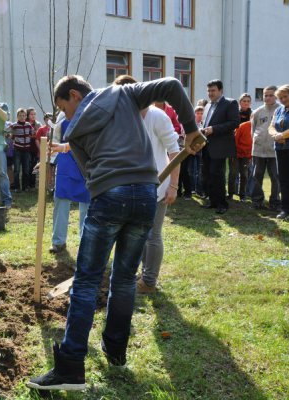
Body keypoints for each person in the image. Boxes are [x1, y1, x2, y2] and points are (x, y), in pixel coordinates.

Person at [27, 75, 201, 391]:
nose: (64, 114)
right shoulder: (125, 94)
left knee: (86, 281)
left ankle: (70, 369)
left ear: (75, 95)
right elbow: (173, 86)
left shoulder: (74, 127)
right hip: (148, 194)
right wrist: (191, 129)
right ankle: (116, 351)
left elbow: (90, 174)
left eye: (62, 106)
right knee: (123, 278)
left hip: (109, 195)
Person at [111, 75, 181, 295]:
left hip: (156, 187)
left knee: (153, 235)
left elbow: (175, 152)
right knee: (133, 233)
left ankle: (149, 281)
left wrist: (173, 185)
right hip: (129, 187)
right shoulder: (121, 116)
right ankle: (135, 274)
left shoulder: (157, 117)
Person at [48, 117, 89, 255]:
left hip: (86, 161)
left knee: (87, 204)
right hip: (66, 161)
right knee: (61, 200)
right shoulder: (61, 116)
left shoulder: (91, 110)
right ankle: (58, 242)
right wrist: (48, 161)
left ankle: (86, 242)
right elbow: (54, 140)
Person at [200, 79, 240, 214]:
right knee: (207, 174)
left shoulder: (230, 103)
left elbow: (235, 123)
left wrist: (214, 129)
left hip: (220, 146)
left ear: (220, 90)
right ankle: (212, 202)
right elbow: (205, 124)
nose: (210, 93)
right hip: (206, 145)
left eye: (213, 90)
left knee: (216, 174)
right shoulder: (207, 106)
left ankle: (222, 204)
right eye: (209, 91)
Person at [270, 85, 289, 222]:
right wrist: (276, 135)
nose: (282, 100)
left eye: (285, 96)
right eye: (280, 98)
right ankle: (286, 209)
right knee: (283, 179)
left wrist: (284, 134)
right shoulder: (278, 110)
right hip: (280, 148)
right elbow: (271, 126)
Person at [251, 86, 280, 210]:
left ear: (276, 96)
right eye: (265, 95)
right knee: (257, 176)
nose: (267, 97)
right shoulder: (257, 112)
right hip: (258, 150)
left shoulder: (281, 110)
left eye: (271, 95)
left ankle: (275, 202)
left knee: (276, 176)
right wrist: (255, 141)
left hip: (275, 151)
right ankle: (257, 201)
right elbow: (252, 131)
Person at [228, 93, 253, 200]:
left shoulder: (253, 114)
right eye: (244, 101)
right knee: (233, 173)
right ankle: (231, 193)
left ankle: (243, 194)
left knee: (245, 173)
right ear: (240, 102)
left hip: (247, 148)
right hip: (235, 146)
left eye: (248, 101)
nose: (246, 103)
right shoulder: (235, 113)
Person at [9, 108, 34, 192]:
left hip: (26, 150)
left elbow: (32, 133)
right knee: (16, 170)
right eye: (20, 116)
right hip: (17, 150)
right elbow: (8, 132)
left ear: (26, 116)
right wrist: (10, 135)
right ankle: (17, 187)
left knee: (26, 169)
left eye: (23, 115)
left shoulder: (28, 125)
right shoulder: (14, 125)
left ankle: (25, 186)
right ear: (17, 117)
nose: (22, 117)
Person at [26, 107, 42, 189]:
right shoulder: (25, 123)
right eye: (31, 114)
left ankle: (33, 184)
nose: (33, 116)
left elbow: (39, 136)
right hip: (27, 148)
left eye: (34, 114)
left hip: (35, 149)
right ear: (28, 115)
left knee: (35, 166)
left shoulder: (38, 124)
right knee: (27, 166)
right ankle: (27, 184)